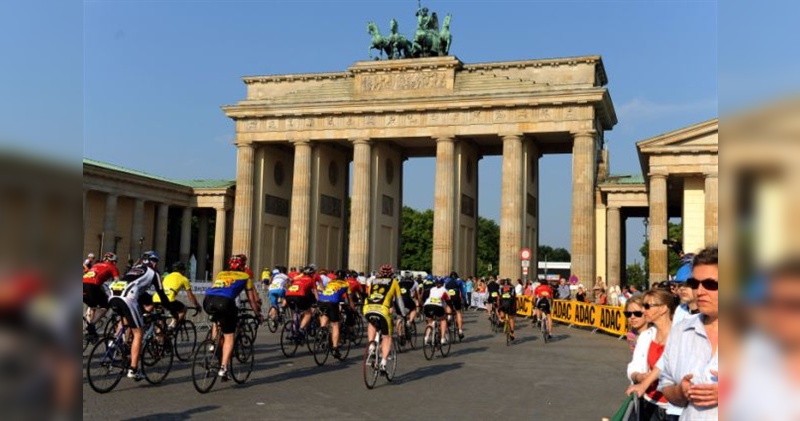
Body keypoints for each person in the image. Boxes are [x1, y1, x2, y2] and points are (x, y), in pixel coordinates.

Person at [658, 247, 718, 420]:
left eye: (710, 284)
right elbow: (667, 384)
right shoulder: (681, 331)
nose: (700, 291)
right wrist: (680, 391)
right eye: (694, 283)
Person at [108, 251, 175, 381]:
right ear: (154, 262)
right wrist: (171, 310)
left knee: (126, 321)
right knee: (139, 332)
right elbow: (161, 295)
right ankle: (133, 369)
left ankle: (115, 343)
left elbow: (140, 293)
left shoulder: (134, 269)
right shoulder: (153, 273)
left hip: (113, 295)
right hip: (127, 297)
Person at [203, 255, 261, 380]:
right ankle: (223, 368)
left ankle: (214, 342)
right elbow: (251, 299)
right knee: (229, 336)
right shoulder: (246, 276)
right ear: (243, 266)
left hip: (208, 301)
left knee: (217, 320)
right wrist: (257, 314)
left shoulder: (221, 274)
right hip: (225, 302)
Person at [625, 288, 678, 420]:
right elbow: (634, 365)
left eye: (648, 306)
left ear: (663, 309)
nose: (643, 310)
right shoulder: (646, 336)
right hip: (650, 402)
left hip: (674, 407)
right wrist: (638, 376)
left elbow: (668, 364)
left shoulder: (680, 335)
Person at [363, 264, 405, 372]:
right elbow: (399, 300)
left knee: (372, 323)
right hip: (383, 310)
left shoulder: (373, 281)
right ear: (392, 274)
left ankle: (371, 345)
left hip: (368, 308)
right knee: (387, 336)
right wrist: (403, 314)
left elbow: (369, 295)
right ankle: (383, 363)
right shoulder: (394, 282)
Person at [317, 269, 355, 359]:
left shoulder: (331, 282)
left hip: (321, 300)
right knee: (335, 324)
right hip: (332, 302)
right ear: (345, 277)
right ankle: (335, 348)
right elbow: (349, 298)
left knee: (324, 315)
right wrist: (352, 307)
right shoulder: (346, 284)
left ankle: (322, 331)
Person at [82, 252, 120, 340]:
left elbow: (94, 277)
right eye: (115, 262)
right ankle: (91, 325)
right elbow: (118, 282)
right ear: (113, 261)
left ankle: (90, 329)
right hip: (92, 286)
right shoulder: (113, 267)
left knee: (93, 305)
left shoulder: (97, 265)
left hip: (82, 284)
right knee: (105, 305)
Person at [152, 261, 201, 327]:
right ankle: (172, 326)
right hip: (168, 300)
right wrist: (197, 305)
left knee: (161, 325)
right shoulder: (184, 279)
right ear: (182, 271)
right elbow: (190, 295)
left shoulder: (166, 276)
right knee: (183, 308)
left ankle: (159, 335)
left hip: (156, 298)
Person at [285, 265, 319, 337]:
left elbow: (289, 283)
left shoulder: (297, 279)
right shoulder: (311, 280)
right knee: (308, 313)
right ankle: (301, 329)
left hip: (288, 296)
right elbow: (315, 292)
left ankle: (294, 328)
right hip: (299, 296)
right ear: (311, 274)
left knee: (296, 311)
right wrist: (318, 300)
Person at [422, 276, 450, 345]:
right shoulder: (444, 290)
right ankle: (443, 339)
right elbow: (448, 300)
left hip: (427, 305)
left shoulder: (432, 289)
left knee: (430, 321)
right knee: (443, 320)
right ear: (443, 283)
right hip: (437, 306)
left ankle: (426, 337)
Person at [397, 273, 421, 339]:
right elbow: (418, 294)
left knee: (399, 317)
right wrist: (419, 302)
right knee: (414, 309)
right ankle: (409, 322)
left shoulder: (399, 282)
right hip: (408, 299)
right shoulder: (415, 283)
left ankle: (400, 335)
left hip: (398, 300)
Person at [444, 272, 466, 340]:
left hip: (448, 296)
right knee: (458, 312)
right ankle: (460, 330)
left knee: (448, 306)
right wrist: (464, 299)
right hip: (456, 297)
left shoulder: (446, 280)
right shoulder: (459, 281)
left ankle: (449, 317)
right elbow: (463, 291)